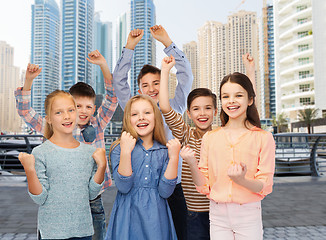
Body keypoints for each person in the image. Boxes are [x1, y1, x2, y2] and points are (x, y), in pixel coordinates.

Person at [15, 50, 117, 240]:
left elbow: (112, 98)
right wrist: (28, 81)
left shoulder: (98, 123)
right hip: (57, 204)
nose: (81, 112)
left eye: (88, 107)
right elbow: (25, 111)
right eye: (75, 107)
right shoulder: (52, 127)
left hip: (91, 199)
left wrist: (103, 65)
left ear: (94, 108)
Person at [159, 55, 256, 239]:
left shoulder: (224, 135)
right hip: (193, 213)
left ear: (215, 110)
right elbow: (164, 106)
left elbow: (247, 111)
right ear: (188, 113)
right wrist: (165, 71)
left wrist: (250, 70)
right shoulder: (186, 134)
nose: (202, 113)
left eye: (207, 108)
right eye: (196, 109)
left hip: (223, 211)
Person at [113, 25, 193, 239]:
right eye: (145, 85)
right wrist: (129, 47)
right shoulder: (134, 108)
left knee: (180, 233)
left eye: (157, 83)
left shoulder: (174, 106)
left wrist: (167, 43)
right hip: (141, 187)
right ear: (139, 90)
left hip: (172, 185)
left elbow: (186, 76)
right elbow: (118, 82)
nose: (152, 89)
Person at [186, 72, 275, 239]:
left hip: (248, 213)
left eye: (238, 95)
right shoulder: (210, 138)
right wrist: (191, 162)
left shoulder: (264, 138)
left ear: (250, 100)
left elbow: (265, 185)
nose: (231, 101)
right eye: (225, 96)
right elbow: (203, 186)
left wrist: (242, 180)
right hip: (217, 213)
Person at [18, 90, 106, 240]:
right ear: (49, 119)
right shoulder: (40, 152)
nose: (66, 116)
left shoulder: (89, 152)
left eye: (71, 110)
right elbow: (40, 198)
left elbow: (91, 194)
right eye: (59, 112)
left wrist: (102, 166)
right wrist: (29, 170)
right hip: (51, 233)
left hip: (83, 231)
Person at [105, 95, 181, 240]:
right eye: (134, 114)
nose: (141, 117)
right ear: (128, 119)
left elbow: (165, 192)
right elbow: (123, 186)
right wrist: (126, 152)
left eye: (147, 112)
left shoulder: (164, 151)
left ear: (156, 117)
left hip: (156, 220)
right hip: (127, 217)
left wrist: (174, 158)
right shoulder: (118, 148)